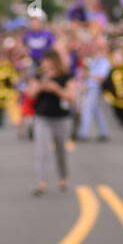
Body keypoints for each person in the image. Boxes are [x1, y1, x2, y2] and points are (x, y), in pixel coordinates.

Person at [27, 49, 76, 194]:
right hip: (43, 117)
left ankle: (63, 177)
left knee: (61, 149)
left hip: (61, 117)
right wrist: (40, 86)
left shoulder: (66, 76)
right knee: (42, 150)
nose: (45, 65)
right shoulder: (38, 76)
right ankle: (41, 181)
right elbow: (30, 94)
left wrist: (56, 89)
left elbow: (71, 96)